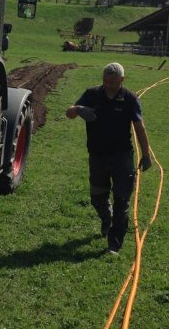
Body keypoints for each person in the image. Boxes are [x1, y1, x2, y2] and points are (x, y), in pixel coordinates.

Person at [66, 62, 152, 255]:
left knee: (122, 200)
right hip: (97, 157)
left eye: (112, 82)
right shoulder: (92, 94)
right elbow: (68, 113)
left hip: (122, 157)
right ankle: (106, 217)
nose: (108, 85)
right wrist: (78, 109)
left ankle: (114, 243)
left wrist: (146, 155)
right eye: (105, 81)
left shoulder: (130, 99)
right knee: (97, 197)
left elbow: (139, 128)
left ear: (122, 80)